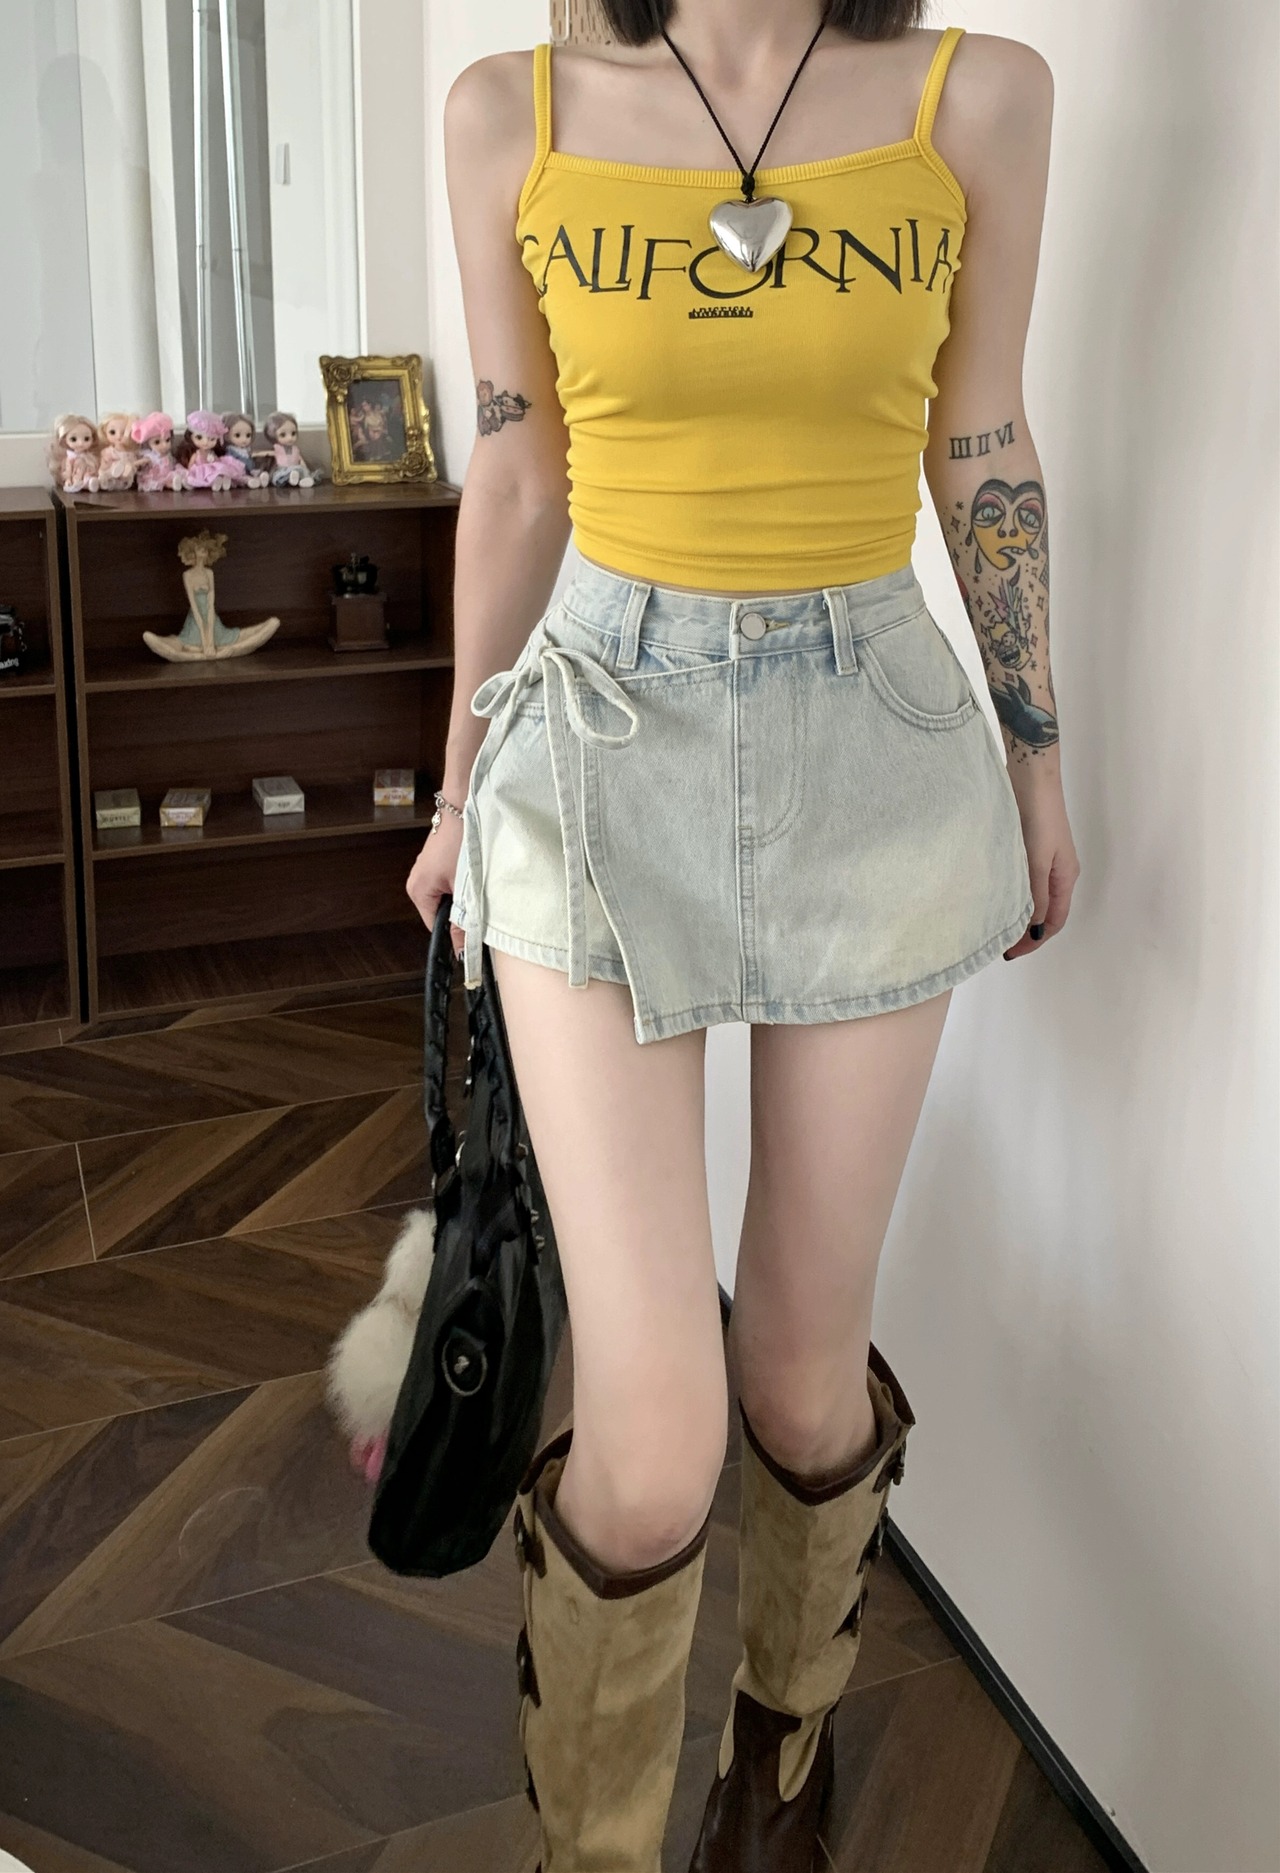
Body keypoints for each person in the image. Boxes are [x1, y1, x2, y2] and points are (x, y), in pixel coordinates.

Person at [406, 3, 1078, 1867]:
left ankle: (779, 1767)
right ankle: (599, 1844)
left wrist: (1037, 759)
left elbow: (984, 443)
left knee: (798, 1370)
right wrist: (457, 789)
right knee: (648, 1445)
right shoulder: (509, 113)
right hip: (596, 744)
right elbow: (519, 472)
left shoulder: (979, 97)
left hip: (879, 750)